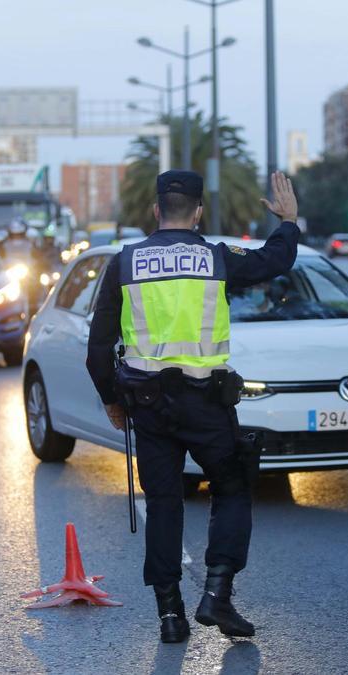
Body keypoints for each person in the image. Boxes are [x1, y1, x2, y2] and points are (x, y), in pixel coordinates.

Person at [86, 169, 300, 643]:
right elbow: (275, 259)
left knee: (163, 505)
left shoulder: (125, 263)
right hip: (207, 404)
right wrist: (287, 220)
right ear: (199, 211)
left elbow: (98, 348)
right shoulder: (217, 258)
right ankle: (217, 596)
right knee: (232, 486)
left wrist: (110, 401)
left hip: (149, 407)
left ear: (156, 210)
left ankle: (170, 616)